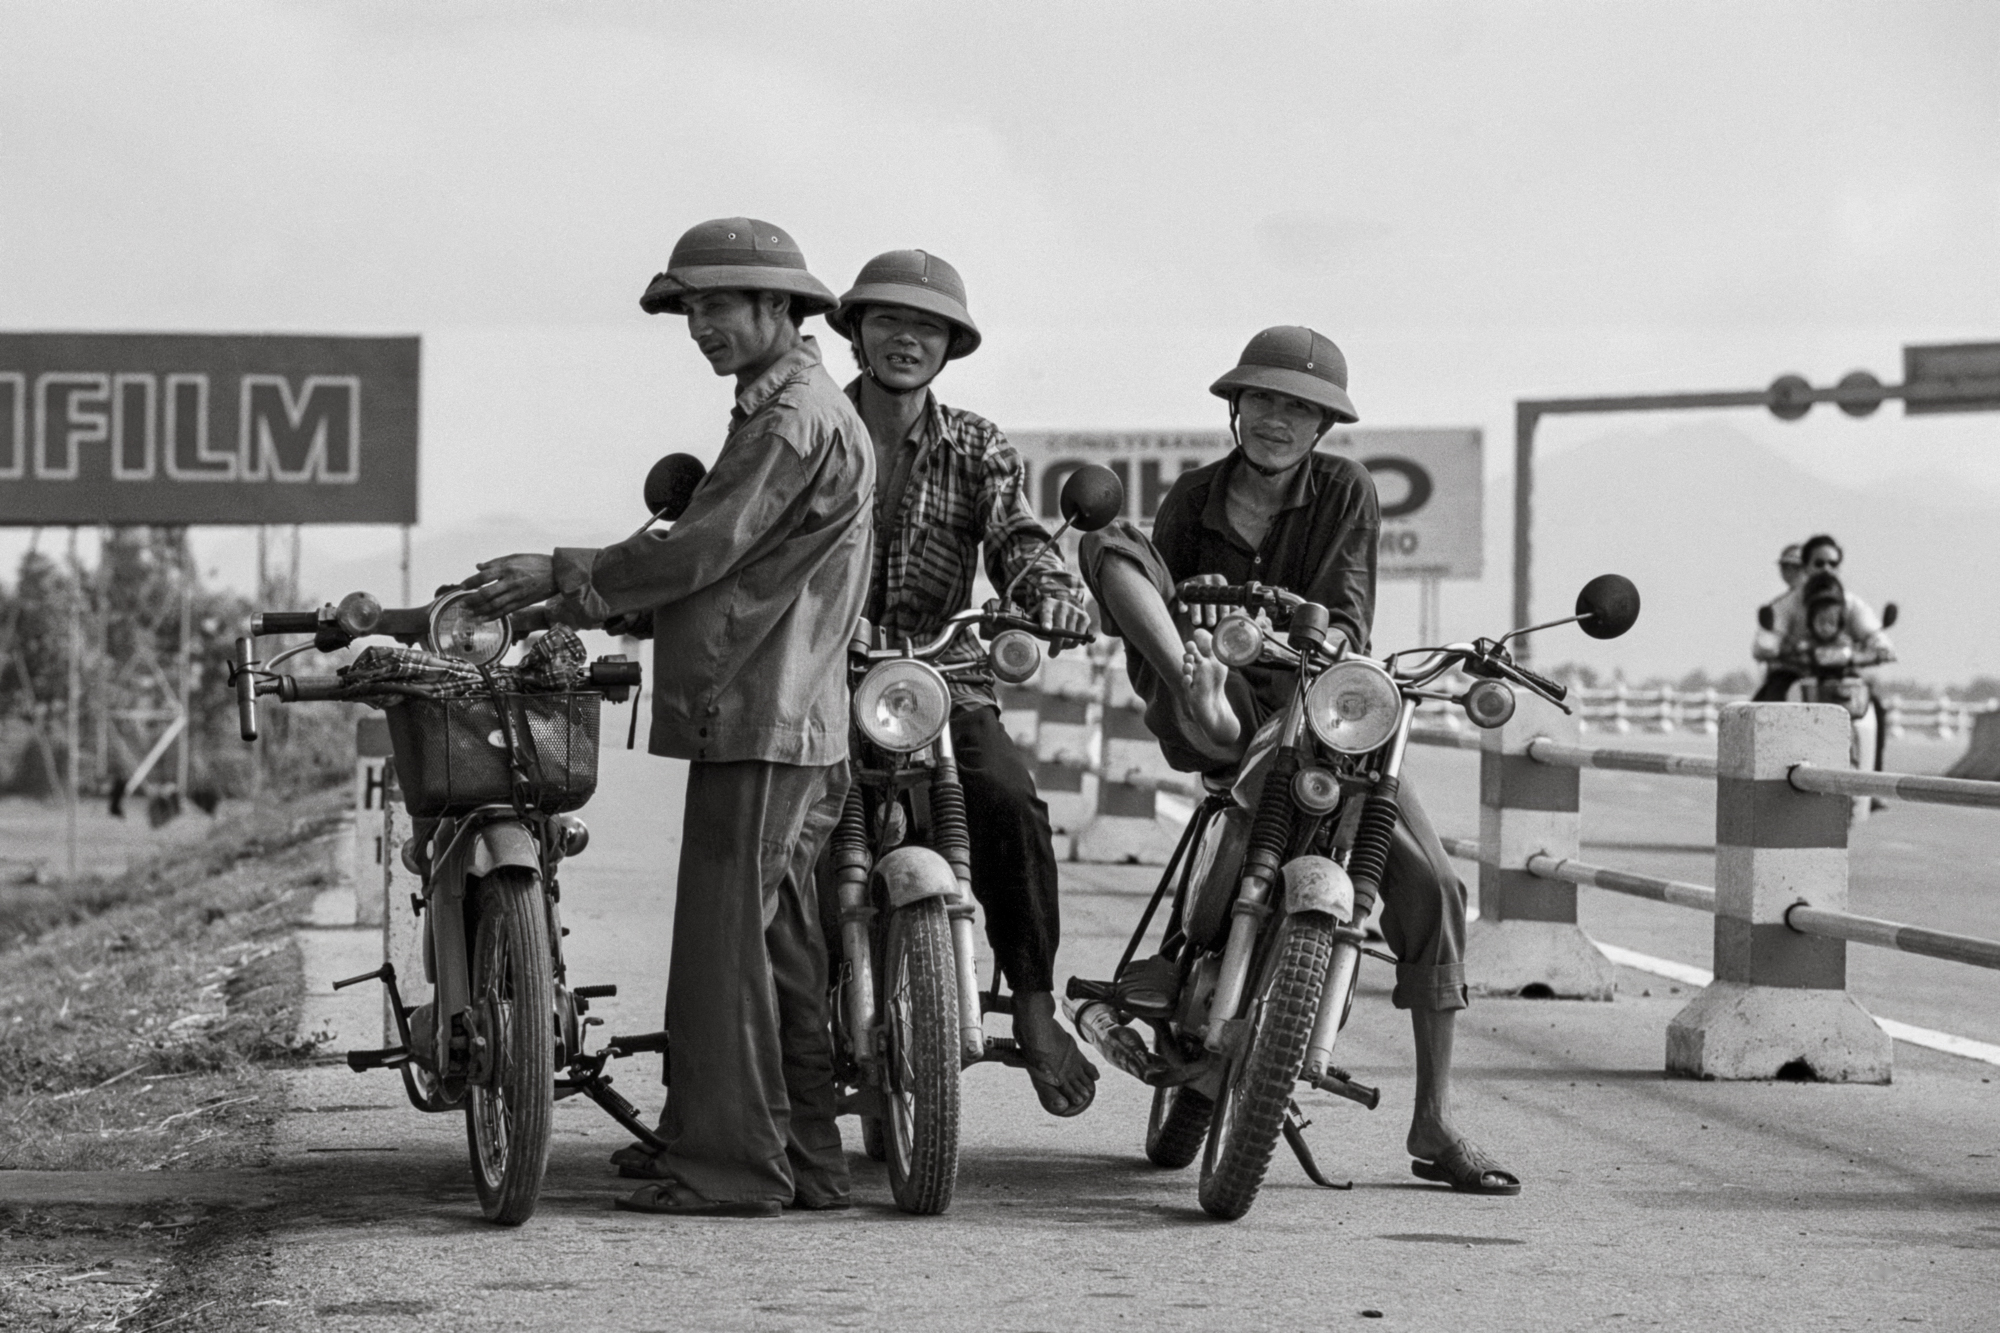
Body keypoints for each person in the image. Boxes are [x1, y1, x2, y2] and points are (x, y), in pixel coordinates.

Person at [460, 217, 873, 1218]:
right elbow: (715, 552)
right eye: (690, 309)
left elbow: (697, 552)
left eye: (719, 305)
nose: (700, 325)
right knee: (776, 949)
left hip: (763, 714)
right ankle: (804, 1159)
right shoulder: (791, 407)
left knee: (726, 952)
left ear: (782, 309)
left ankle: (731, 1169)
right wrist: (580, 591)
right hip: (788, 714)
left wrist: (565, 578)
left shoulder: (786, 421)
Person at [1078, 325, 1520, 1197]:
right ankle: (1202, 693)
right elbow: (1150, 590)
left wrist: (1301, 644)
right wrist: (1203, 657)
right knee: (1112, 546)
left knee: (1435, 888)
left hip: (1318, 710)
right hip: (1218, 699)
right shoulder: (1191, 498)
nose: (1278, 419)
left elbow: (1349, 614)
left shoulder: (1347, 491)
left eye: (1300, 407)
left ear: (1323, 425)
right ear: (1236, 408)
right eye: (1266, 400)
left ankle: (1432, 1119)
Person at [824, 249, 1099, 1116]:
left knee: (1011, 802)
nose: (908, 338)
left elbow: (1016, 538)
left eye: (928, 327)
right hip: (818, 673)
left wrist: (1051, 597)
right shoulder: (811, 429)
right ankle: (767, 1036)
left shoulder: (977, 444)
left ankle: (1033, 1005)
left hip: (941, 673)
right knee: (776, 833)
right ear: (858, 333)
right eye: (891, 322)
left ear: (950, 346)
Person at [1751, 543, 1806, 702]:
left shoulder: (1831, 601)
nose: (1789, 571)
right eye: (1785, 566)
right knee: (1760, 712)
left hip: (1829, 669)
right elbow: (1763, 643)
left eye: (1795, 566)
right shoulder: (1779, 605)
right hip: (1790, 672)